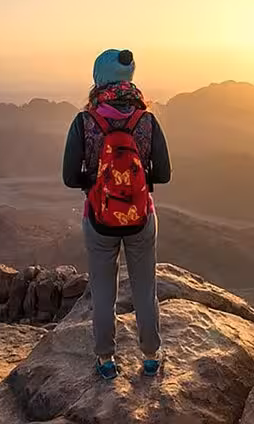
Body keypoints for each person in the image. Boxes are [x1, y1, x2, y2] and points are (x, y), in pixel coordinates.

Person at [62, 49, 171, 379]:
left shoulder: (85, 121)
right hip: (141, 218)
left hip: (98, 219)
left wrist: (97, 183)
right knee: (144, 289)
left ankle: (106, 360)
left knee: (104, 292)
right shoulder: (146, 121)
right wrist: (134, 182)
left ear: (98, 78)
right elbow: (163, 174)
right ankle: (151, 356)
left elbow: (69, 177)